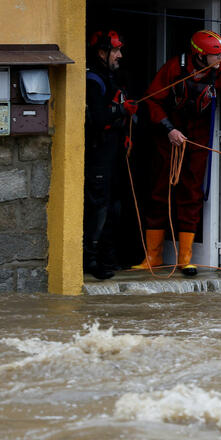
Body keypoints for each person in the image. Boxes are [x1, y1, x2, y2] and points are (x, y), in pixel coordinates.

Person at [135, 29, 221, 275]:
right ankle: (153, 257)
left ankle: (185, 257)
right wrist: (168, 129)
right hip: (169, 139)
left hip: (198, 140)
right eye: (215, 55)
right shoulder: (174, 69)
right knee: (158, 194)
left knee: (192, 193)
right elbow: (151, 100)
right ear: (200, 55)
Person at [84, 29, 137, 280]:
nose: (120, 55)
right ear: (102, 52)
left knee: (115, 206)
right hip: (98, 155)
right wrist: (120, 111)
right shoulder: (93, 80)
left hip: (113, 153)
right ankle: (92, 260)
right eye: (115, 50)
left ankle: (110, 256)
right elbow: (97, 119)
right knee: (99, 207)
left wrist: (125, 126)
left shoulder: (111, 77)